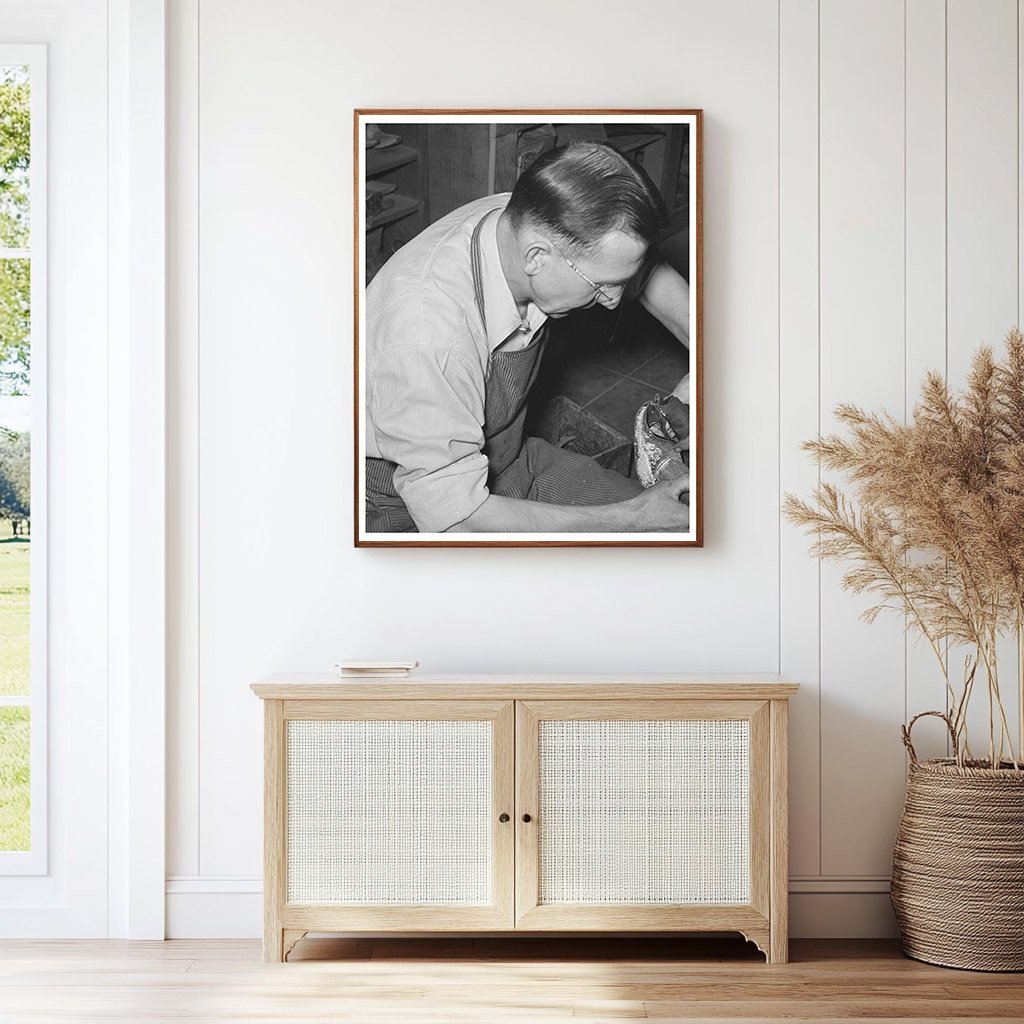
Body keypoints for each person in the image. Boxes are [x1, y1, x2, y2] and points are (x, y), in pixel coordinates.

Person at [364, 141, 691, 534]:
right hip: (411, 506)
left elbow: (638, 269)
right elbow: (457, 519)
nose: (613, 302)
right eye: (603, 285)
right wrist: (634, 517)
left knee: (676, 526)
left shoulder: (526, 218)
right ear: (537, 258)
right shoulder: (427, 338)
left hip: (508, 458)